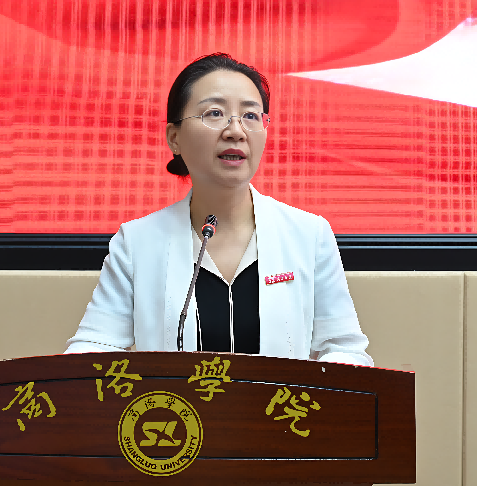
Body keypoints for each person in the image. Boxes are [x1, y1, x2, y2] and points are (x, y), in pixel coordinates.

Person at [65, 53, 372, 366]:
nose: (236, 131)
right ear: (174, 138)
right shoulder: (137, 242)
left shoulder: (308, 235)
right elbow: (94, 346)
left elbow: (344, 349)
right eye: (214, 113)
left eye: (251, 116)